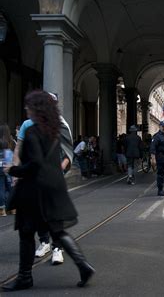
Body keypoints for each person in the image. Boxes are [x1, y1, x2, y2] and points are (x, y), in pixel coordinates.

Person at [2, 90, 94, 292]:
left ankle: (25, 277)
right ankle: (83, 266)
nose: (26, 108)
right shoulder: (52, 130)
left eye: (29, 105)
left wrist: (13, 170)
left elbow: (35, 163)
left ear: (37, 108)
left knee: (26, 233)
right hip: (51, 189)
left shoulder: (34, 131)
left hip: (34, 191)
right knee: (57, 231)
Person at [150, 121, 164, 197]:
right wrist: (153, 159)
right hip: (161, 158)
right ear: (160, 127)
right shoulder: (156, 136)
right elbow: (153, 148)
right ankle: (160, 190)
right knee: (161, 175)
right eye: (163, 126)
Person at [0, 124, 14, 217]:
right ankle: (13, 208)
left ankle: (2, 210)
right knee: (11, 187)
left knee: (1, 188)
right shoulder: (11, 141)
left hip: (0, 167)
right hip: (9, 166)